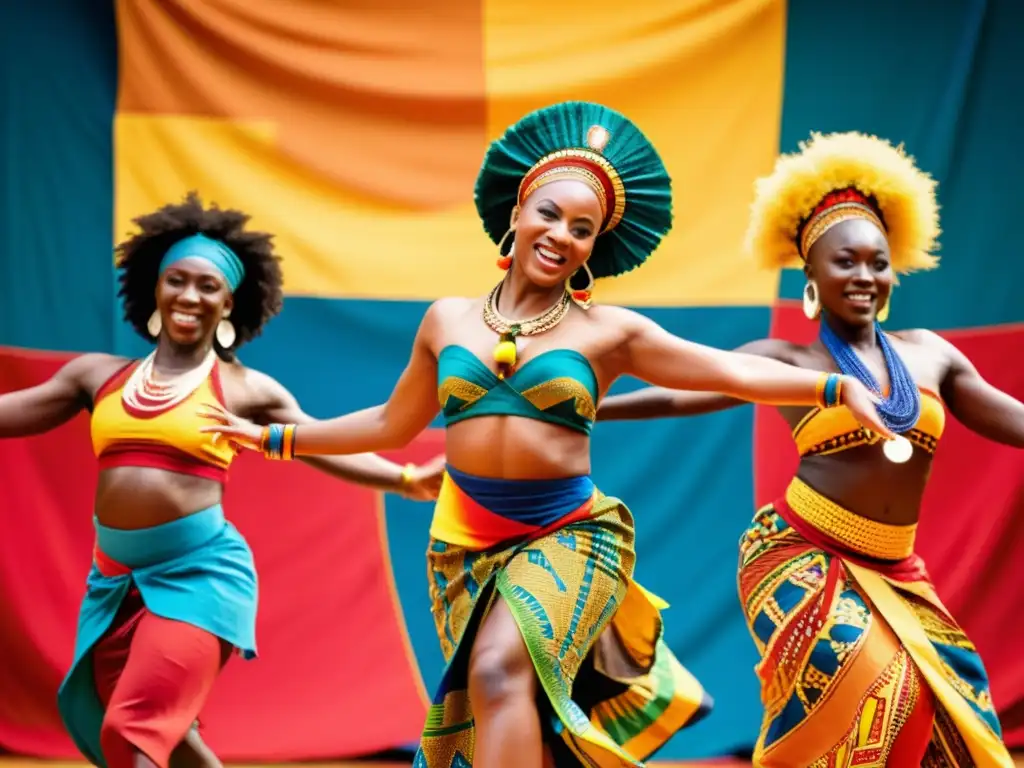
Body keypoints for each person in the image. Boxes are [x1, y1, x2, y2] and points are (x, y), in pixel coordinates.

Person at [200, 103, 892, 768]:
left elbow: (732, 373)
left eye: (583, 228)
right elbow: (390, 424)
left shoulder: (609, 332)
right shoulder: (447, 321)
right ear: (517, 217)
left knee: (502, 672)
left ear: (595, 247)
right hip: (463, 546)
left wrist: (833, 387)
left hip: (567, 535)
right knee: (508, 702)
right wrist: (278, 441)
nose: (562, 234)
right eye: (550, 214)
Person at [597, 131, 1020, 766]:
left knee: (954, 710)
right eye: (844, 261)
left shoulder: (931, 353)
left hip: (896, 570)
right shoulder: (789, 361)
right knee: (868, 673)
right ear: (811, 275)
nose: (864, 275)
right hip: (800, 555)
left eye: (877, 262)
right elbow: (682, 395)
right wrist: (586, 407)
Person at [0, 192, 446, 768]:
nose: (189, 296)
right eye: (177, 281)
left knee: (133, 729)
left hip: (199, 579)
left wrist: (403, 477)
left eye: (207, 287)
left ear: (229, 304)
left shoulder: (246, 389)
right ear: (154, 290)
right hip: (114, 585)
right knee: (173, 739)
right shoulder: (97, 376)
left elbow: (318, 442)